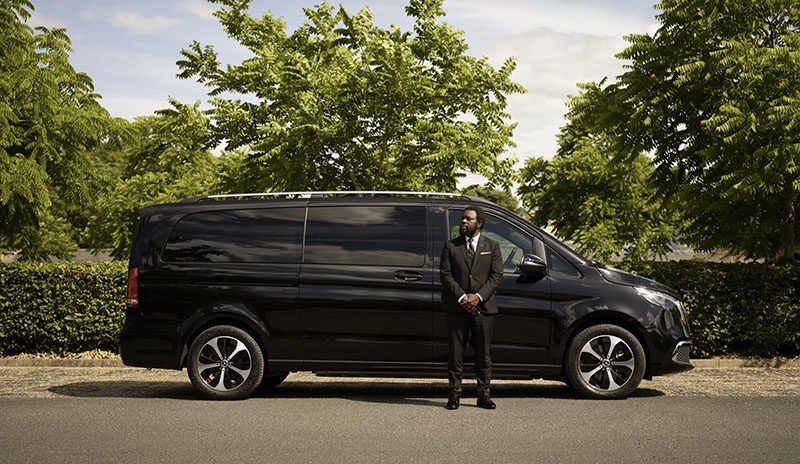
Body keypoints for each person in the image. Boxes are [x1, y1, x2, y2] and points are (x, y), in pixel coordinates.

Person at [440, 205, 503, 410]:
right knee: (456, 353)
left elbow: (496, 276)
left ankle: (483, 395)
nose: (463, 222)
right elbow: (446, 275)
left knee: (483, 354)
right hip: (457, 308)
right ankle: (454, 395)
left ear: (479, 223)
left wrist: (478, 297)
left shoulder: (492, 246)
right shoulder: (451, 246)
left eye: (468, 219)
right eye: (462, 219)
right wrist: (462, 298)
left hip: (484, 309)